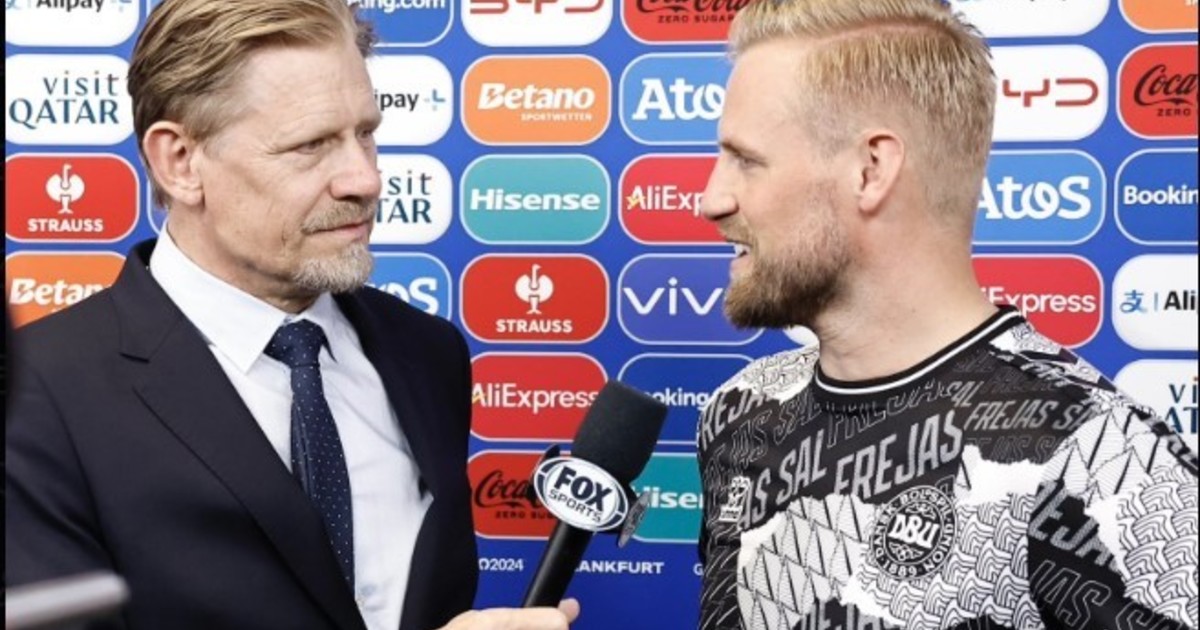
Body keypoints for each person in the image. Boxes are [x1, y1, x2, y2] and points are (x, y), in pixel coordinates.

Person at [4, 1, 578, 629]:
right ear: (180, 161)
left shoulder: (428, 353)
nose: (364, 179)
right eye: (311, 145)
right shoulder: (36, 397)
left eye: (366, 134)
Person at [695, 1, 1199, 629]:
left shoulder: (1106, 465)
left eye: (746, 160)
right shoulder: (739, 410)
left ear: (871, 170)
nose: (710, 199)